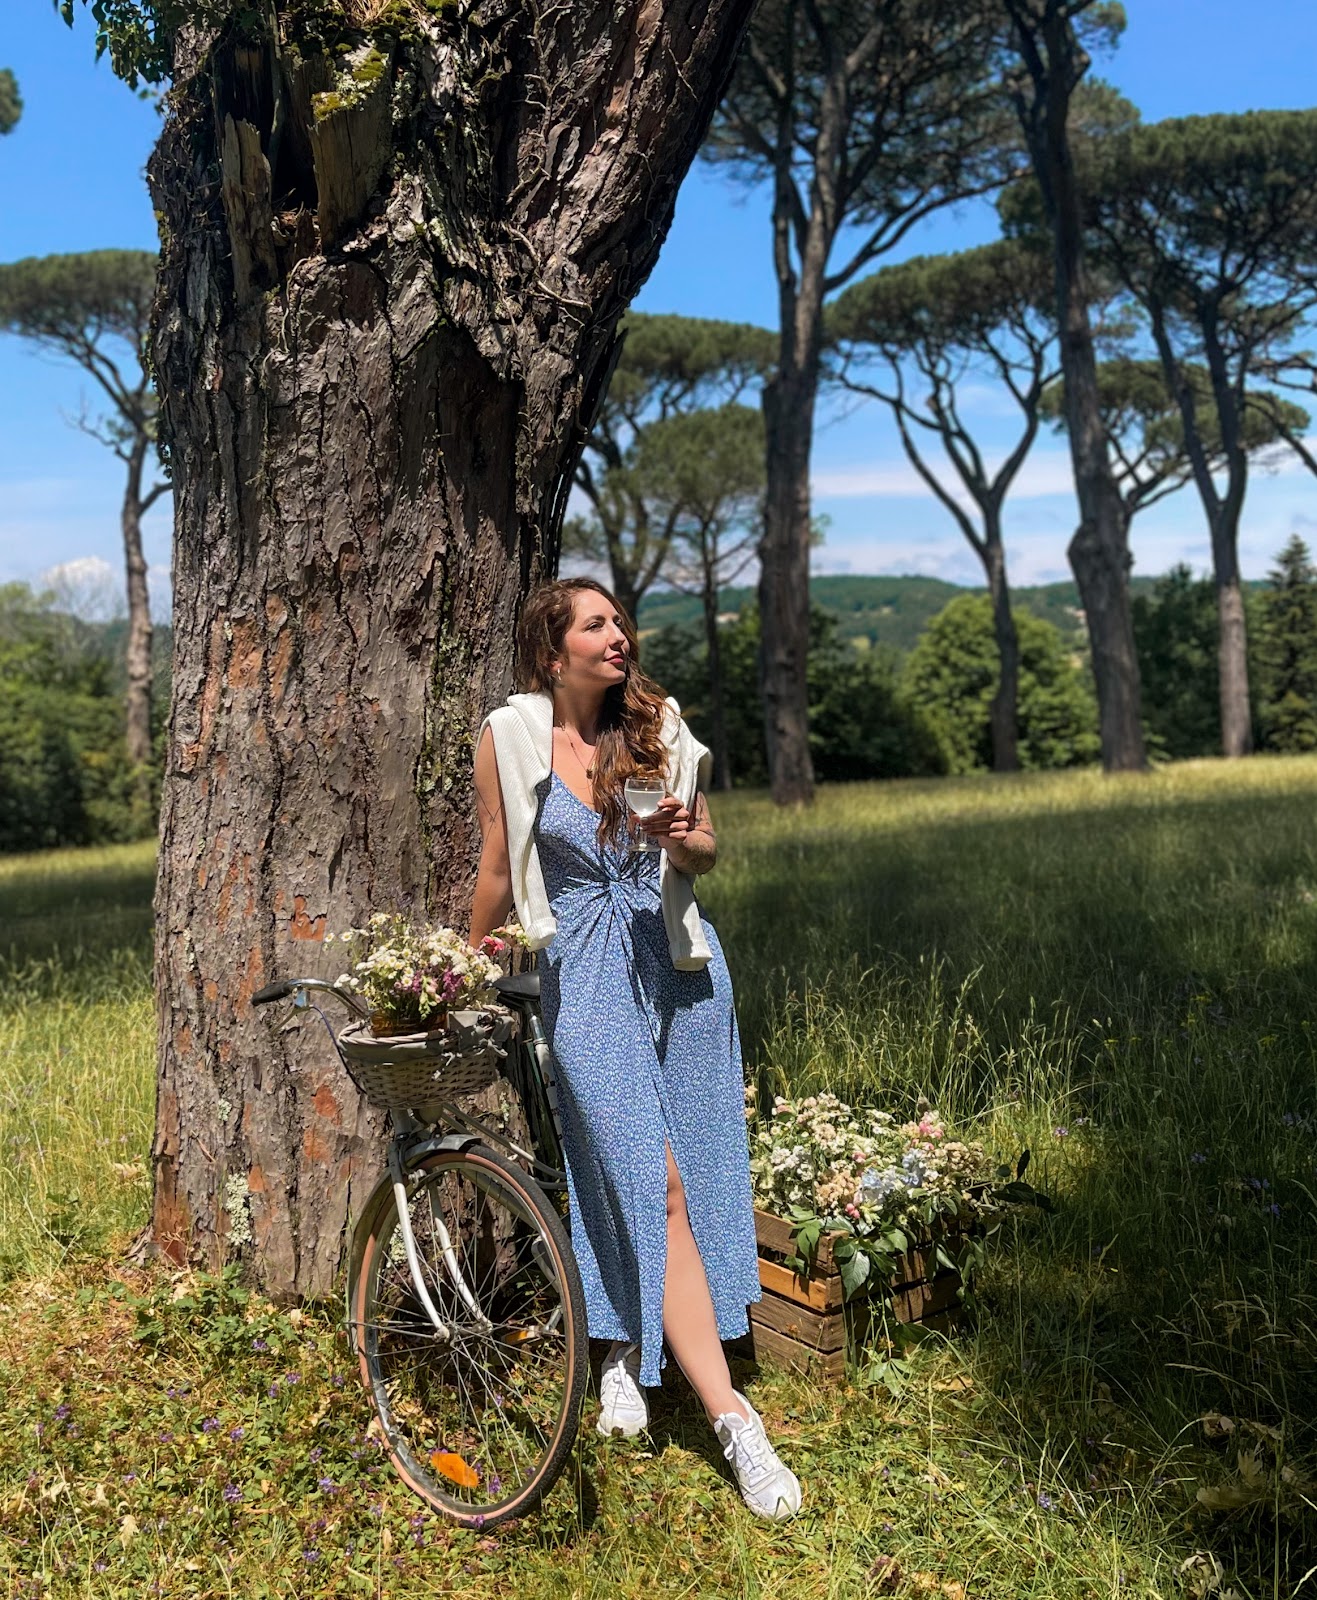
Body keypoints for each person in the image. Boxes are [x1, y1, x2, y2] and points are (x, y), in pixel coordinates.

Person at [467, 577, 801, 1521]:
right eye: (596, 624)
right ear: (552, 652)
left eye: (618, 620)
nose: (618, 635)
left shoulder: (656, 724)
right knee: (639, 1178)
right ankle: (733, 1419)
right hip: (583, 972)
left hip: (678, 965)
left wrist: (688, 839)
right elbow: (496, 863)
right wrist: (456, 966)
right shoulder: (510, 736)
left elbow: (703, 853)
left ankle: (624, 1346)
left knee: (689, 1171)